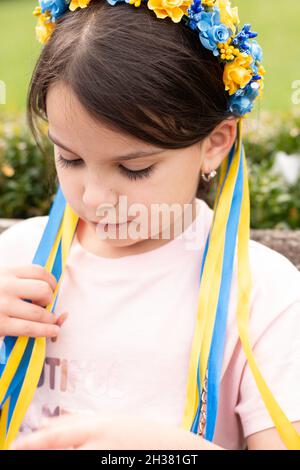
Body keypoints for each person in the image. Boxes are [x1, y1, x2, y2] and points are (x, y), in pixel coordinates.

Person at [0, 0, 299, 450]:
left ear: (215, 143)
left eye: (134, 168)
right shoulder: (18, 260)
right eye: (70, 158)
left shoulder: (260, 293)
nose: (96, 197)